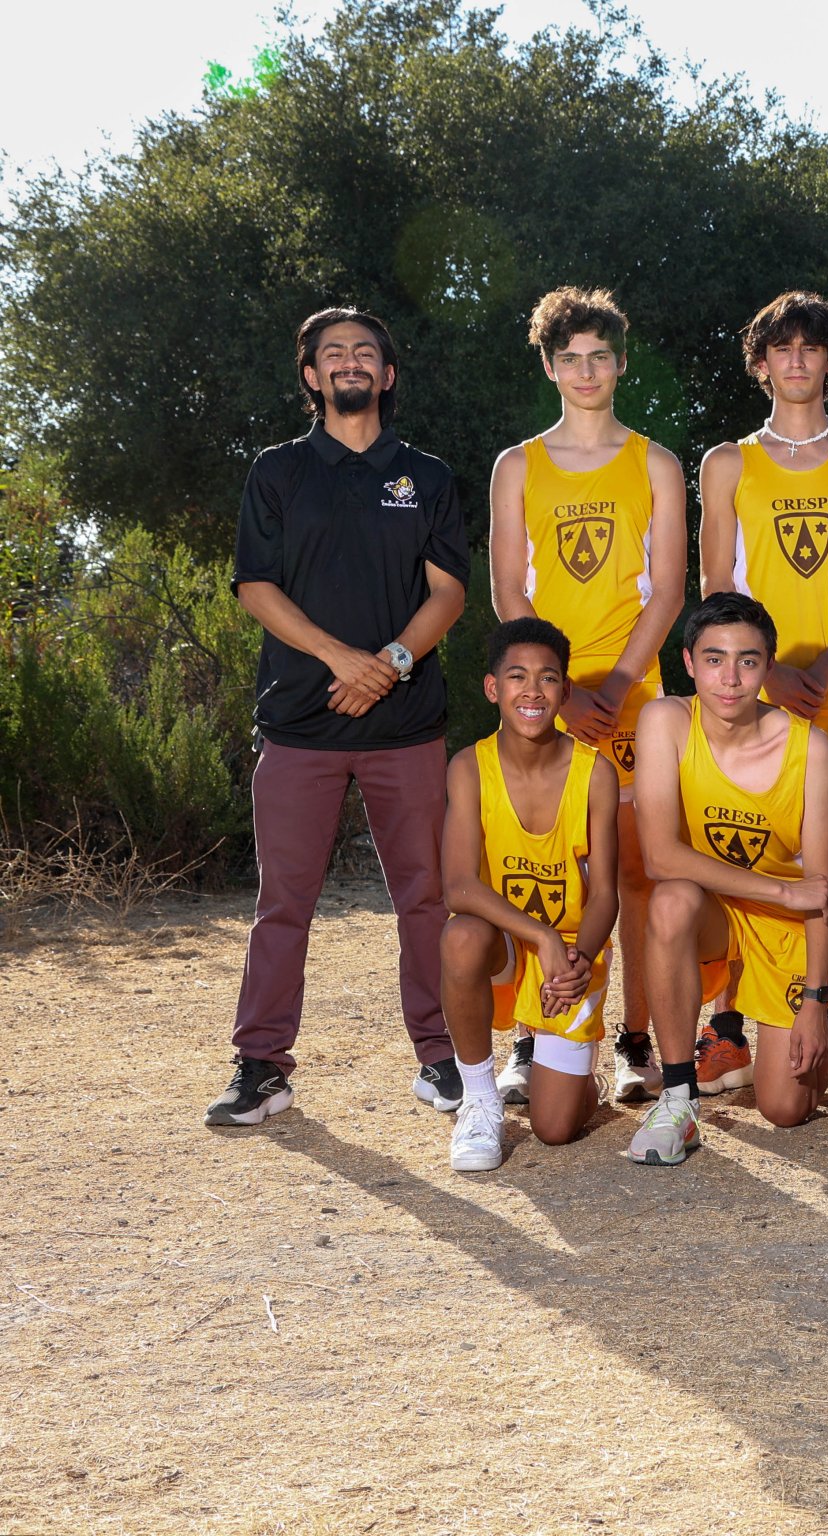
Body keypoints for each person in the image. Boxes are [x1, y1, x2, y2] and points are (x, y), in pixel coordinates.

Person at [207, 307, 468, 1128]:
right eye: (333, 354)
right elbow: (256, 587)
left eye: (366, 352)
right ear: (313, 377)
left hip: (407, 725)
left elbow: (450, 592)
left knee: (426, 897)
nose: (350, 363)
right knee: (283, 903)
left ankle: (444, 1057)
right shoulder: (277, 472)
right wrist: (339, 660)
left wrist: (388, 665)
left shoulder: (425, 476)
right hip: (300, 724)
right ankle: (261, 1068)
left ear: (387, 376)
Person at [698, 291, 828, 1089]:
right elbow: (718, 584)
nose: (795, 360)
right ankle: (725, 1028)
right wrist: (773, 673)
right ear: (759, 364)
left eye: (810, 348)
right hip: (748, 691)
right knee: (741, 847)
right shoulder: (726, 463)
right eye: (779, 348)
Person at [488, 286, 686, 1109]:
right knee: (541, 865)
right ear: (548, 366)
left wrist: (611, 684)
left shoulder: (657, 462)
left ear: (621, 363)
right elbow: (507, 590)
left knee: (637, 871)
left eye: (599, 356)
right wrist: (558, 692)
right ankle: (533, 1037)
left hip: (633, 690)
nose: (585, 370)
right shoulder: (516, 465)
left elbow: (670, 589)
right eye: (568, 358)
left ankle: (635, 1042)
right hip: (544, 695)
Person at [622, 593, 828, 1165]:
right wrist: (780, 889)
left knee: (785, 1109)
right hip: (714, 912)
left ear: (769, 669)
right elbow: (660, 856)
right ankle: (678, 1099)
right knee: (668, 902)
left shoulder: (810, 748)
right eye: (714, 659)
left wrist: (816, 1000)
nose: (730, 677)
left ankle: (814, 1019)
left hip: (784, 927)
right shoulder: (666, 720)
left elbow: (820, 891)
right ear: (690, 663)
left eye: (748, 661)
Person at [440, 619, 620, 1171]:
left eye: (548, 678)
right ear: (493, 688)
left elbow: (606, 894)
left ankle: (575, 1071)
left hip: (570, 953)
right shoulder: (470, 766)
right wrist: (540, 935)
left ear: (566, 691)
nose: (533, 691)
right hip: (512, 946)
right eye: (517, 677)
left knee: (554, 1129)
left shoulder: (595, 773)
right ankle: (478, 1097)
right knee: (461, 936)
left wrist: (578, 958)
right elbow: (459, 885)